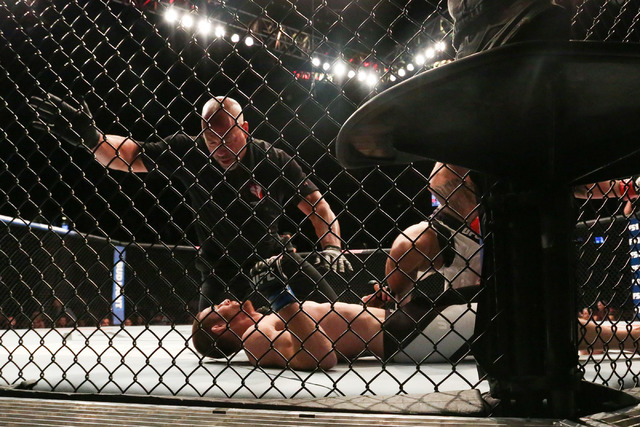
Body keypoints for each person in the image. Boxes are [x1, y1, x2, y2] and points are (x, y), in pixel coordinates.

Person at [28, 94, 352, 345]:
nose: (221, 149)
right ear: (202, 134)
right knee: (211, 342)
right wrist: (91, 137)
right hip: (220, 267)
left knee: (336, 320)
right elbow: (128, 156)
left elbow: (318, 206)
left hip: (272, 261)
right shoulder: (190, 151)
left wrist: (332, 247)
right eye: (212, 141)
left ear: (244, 129)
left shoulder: (272, 159)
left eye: (228, 139)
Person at [194, 254, 639, 370]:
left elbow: (329, 330)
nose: (225, 299)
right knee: (518, 313)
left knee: (514, 306)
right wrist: (280, 296)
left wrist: (361, 309)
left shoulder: (265, 326)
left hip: (404, 323)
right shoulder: (254, 339)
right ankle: (630, 338)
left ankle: (621, 336)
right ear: (217, 327)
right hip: (405, 338)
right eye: (217, 307)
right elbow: (321, 356)